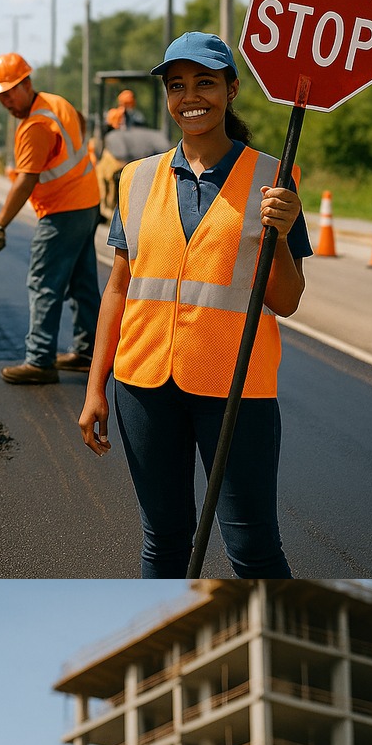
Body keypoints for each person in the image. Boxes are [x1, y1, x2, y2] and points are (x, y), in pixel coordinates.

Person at [78, 33, 311, 577]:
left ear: (231, 90)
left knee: (252, 549)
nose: (190, 96)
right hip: (142, 386)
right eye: (177, 85)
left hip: (235, 388)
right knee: (163, 543)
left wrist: (280, 231)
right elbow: (118, 290)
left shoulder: (274, 179)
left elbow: (289, 300)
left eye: (205, 82)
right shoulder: (135, 181)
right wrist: (95, 388)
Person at [0, 53, 104, 382]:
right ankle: (88, 350)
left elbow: (26, 180)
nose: (6, 101)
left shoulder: (35, 125)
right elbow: (80, 119)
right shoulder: (55, 102)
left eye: (10, 92)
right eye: (1, 95)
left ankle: (39, 360)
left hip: (64, 210)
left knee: (43, 283)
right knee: (82, 282)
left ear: (27, 84)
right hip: (87, 201)